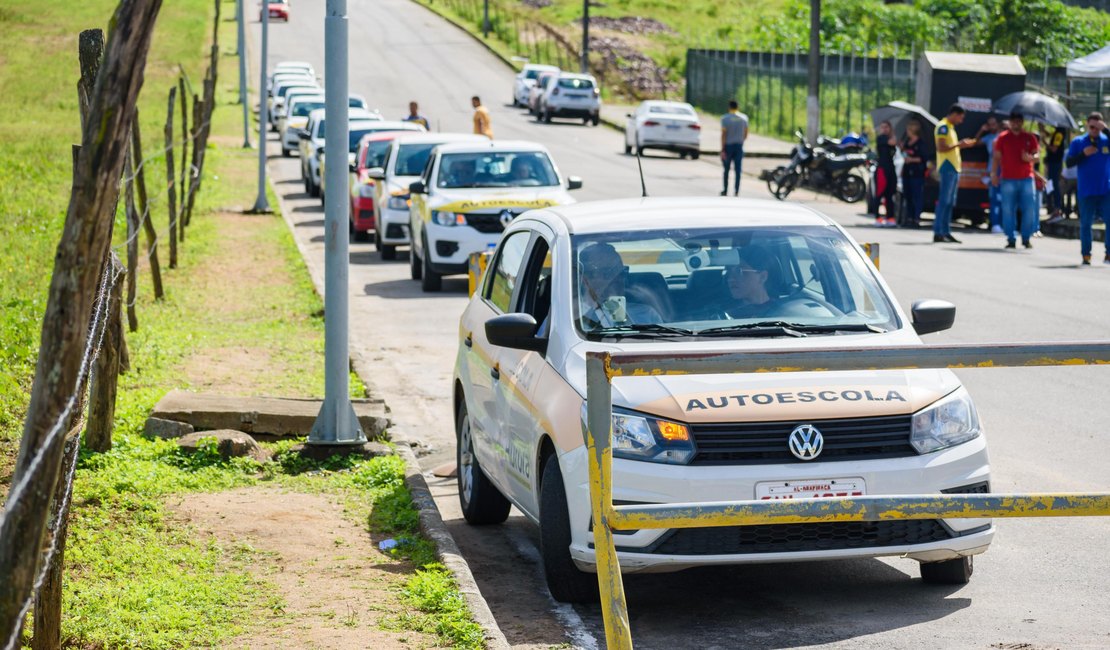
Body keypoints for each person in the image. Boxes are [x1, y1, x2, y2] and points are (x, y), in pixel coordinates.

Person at [577, 243, 661, 328]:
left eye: (621, 273)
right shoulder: (573, 315)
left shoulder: (646, 314)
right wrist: (591, 304)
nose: (617, 279)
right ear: (586, 278)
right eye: (608, 273)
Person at [1065, 112, 1110, 265]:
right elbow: (1069, 163)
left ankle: (1109, 254)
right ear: (1087, 125)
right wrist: (1083, 154)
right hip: (1086, 190)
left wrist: (1107, 130)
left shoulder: (1106, 140)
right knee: (1085, 224)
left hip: (1105, 189)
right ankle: (1086, 254)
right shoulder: (1078, 142)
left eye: (1098, 127)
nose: (1095, 130)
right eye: (1092, 127)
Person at [992, 111, 1040, 249]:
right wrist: (993, 174)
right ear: (1010, 122)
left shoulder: (1029, 137)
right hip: (1008, 178)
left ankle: (1026, 237)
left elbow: (1037, 155)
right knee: (1008, 209)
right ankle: (1010, 238)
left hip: (1026, 178)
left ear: (1022, 122)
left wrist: (1031, 158)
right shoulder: (1003, 137)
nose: (1016, 124)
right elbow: (996, 157)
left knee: (1029, 209)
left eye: (1018, 121)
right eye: (1013, 121)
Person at [933, 104, 977, 243]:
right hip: (947, 167)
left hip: (953, 168)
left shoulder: (950, 128)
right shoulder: (943, 127)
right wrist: (960, 144)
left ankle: (945, 231)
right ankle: (938, 231)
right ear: (954, 114)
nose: (961, 120)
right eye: (960, 117)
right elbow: (941, 148)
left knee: (950, 202)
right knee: (944, 201)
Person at [977, 116, 1003, 233]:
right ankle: (995, 224)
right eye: (989, 124)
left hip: (1006, 171)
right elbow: (975, 142)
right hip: (993, 171)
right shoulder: (989, 138)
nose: (992, 126)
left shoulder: (1003, 137)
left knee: (1005, 200)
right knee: (994, 199)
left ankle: (1004, 224)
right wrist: (982, 130)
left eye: (994, 124)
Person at [900, 120, 926, 228]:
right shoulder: (907, 142)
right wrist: (902, 149)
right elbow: (904, 154)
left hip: (917, 173)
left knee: (917, 196)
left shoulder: (921, 143)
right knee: (908, 196)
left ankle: (916, 218)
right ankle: (909, 218)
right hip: (907, 172)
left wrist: (911, 159)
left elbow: (923, 158)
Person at [1040, 123, 1069, 221]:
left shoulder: (1059, 134)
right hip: (1053, 163)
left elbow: (1054, 148)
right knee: (1050, 184)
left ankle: (1056, 208)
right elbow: (1051, 137)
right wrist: (1043, 129)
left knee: (1053, 185)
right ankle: (1052, 208)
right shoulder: (1057, 133)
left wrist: (1044, 141)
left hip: (1055, 164)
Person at [872, 120, 898, 227]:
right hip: (882, 169)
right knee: (879, 194)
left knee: (890, 194)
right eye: (883, 127)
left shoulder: (891, 138)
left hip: (891, 168)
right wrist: (895, 137)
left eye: (886, 127)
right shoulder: (881, 138)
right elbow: (892, 142)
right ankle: (877, 217)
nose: (884, 129)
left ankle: (890, 217)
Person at [720, 100, 749, 196]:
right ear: (737, 107)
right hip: (739, 146)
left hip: (728, 146)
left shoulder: (725, 119)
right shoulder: (744, 118)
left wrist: (722, 148)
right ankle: (736, 191)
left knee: (726, 169)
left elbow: (724, 135)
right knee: (738, 170)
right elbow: (745, 134)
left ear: (729, 107)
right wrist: (741, 140)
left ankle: (725, 190)